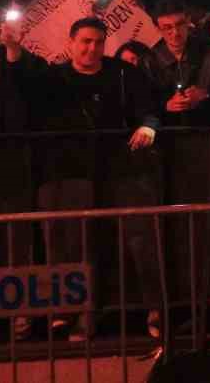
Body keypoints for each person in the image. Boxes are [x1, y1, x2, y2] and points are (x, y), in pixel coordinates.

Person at [27, 17, 163, 339]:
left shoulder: (123, 73)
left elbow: (151, 108)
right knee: (74, 245)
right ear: (71, 42)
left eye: (98, 42)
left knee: (140, 239)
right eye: (85, 41)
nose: (92, 48)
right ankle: (73, 313)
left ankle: (155, 309)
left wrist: (149, 127)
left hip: (122, 168)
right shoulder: (52, 79)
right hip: (71, 171)